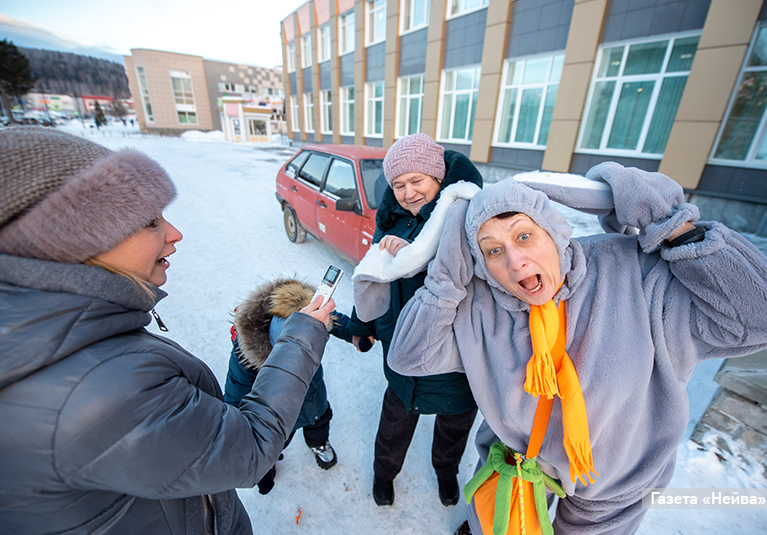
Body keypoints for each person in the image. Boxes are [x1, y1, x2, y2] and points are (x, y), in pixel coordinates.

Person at [354, 163, 767, 534]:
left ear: (555, 231)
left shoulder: (632, 274)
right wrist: (445, 279)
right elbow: (409, 357)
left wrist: (674, 228)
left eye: (524, 236)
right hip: (515, 464)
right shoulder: (482, 303)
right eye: (492, 251)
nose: (515, 261)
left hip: (613, 484)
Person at [0, 126, 335, 535]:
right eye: (149, 221)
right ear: (72, 240)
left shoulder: (62, 341)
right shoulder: (100, 388)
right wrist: (302, 336)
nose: (174, 233)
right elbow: (248, 448)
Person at [349, 133, 482, 507]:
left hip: (454, 355)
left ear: (438, 178)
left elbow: (476, 277)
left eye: (417, 181)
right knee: (395, 422)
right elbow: (371, 279)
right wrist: (363, 326)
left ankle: (445, 473)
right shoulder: (390, 224)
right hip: (402, 348)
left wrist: (415, 259)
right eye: (399, 184)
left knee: (453, 427)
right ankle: (383, 474)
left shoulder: (465, 217)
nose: (408, 193)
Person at [224, 278, 352, 494]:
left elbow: (329, 318)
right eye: (296, 354)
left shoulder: (304, 320)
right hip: (278, 414)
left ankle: (319, 444)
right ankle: (269, 462)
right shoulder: (246, 361)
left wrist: (354, 332)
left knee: (319, 420)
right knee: (274, 442)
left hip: (312, 396)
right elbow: (234, 401)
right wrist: (258, 462)